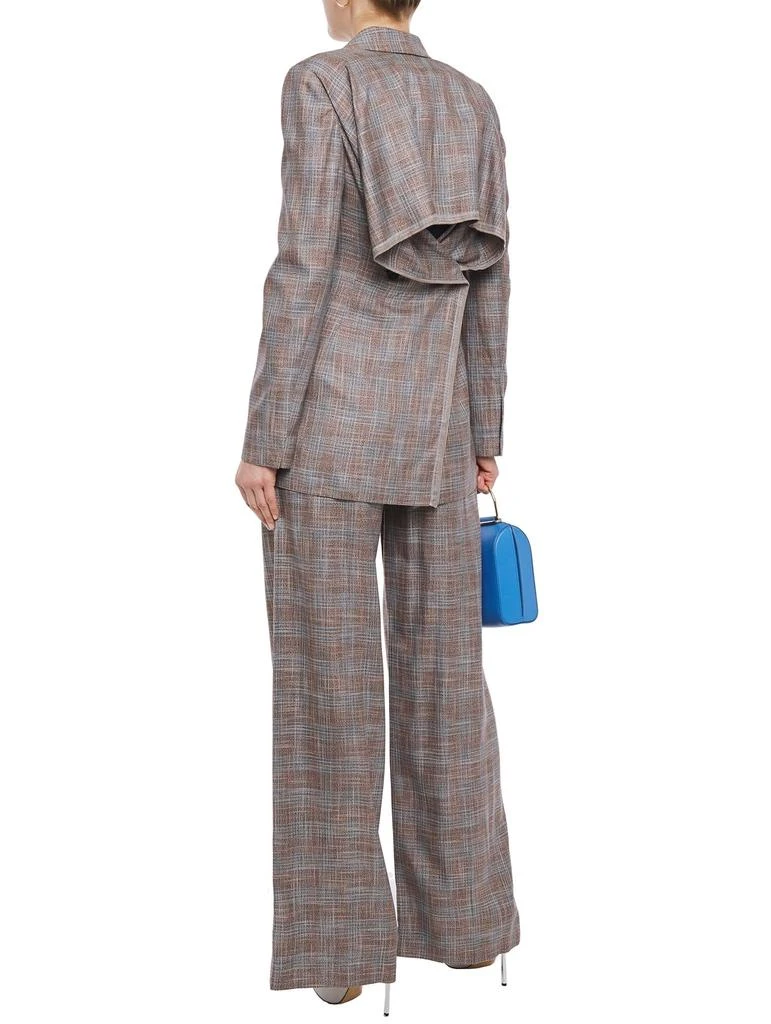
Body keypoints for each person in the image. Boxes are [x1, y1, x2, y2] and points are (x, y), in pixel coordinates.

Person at [235, 0, 520, 1010]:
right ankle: (468, 927)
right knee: (448, 683)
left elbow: (304, 266)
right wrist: (485, 425)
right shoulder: (472, 101)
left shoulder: (323, 84)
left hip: (327, 437)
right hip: (438, 429)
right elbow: (495, 281)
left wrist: (265, 437)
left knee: (330, 693)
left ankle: (341, 956)